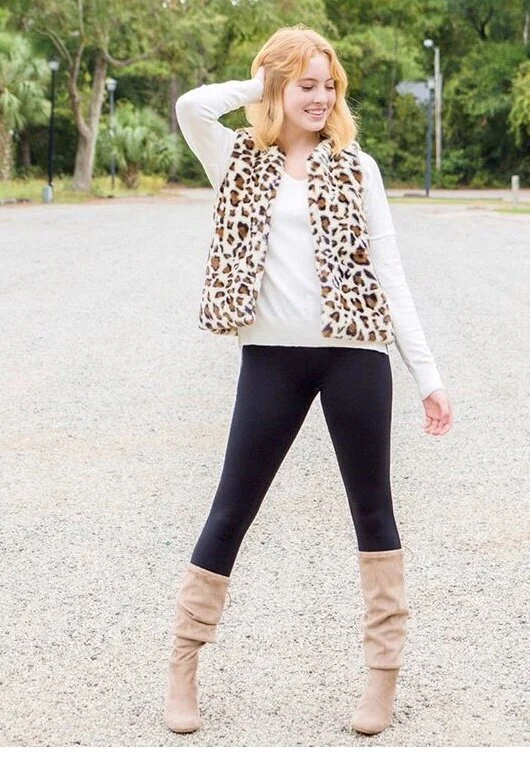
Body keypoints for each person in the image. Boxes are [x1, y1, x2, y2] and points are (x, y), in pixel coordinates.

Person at [164, 24, 453, 738]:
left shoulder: (357, 167)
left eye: (329, 84)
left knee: (374, 513)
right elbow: (191, 107)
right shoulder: (237, 157)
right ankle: (183, 666)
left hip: (355, 355)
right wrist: (261, 81)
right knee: (231, 508)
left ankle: (381, 677)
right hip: (271, 358)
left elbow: (390, 274)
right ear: (277, 87)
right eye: (306, 84)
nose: (321, 97)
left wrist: (427, 376)